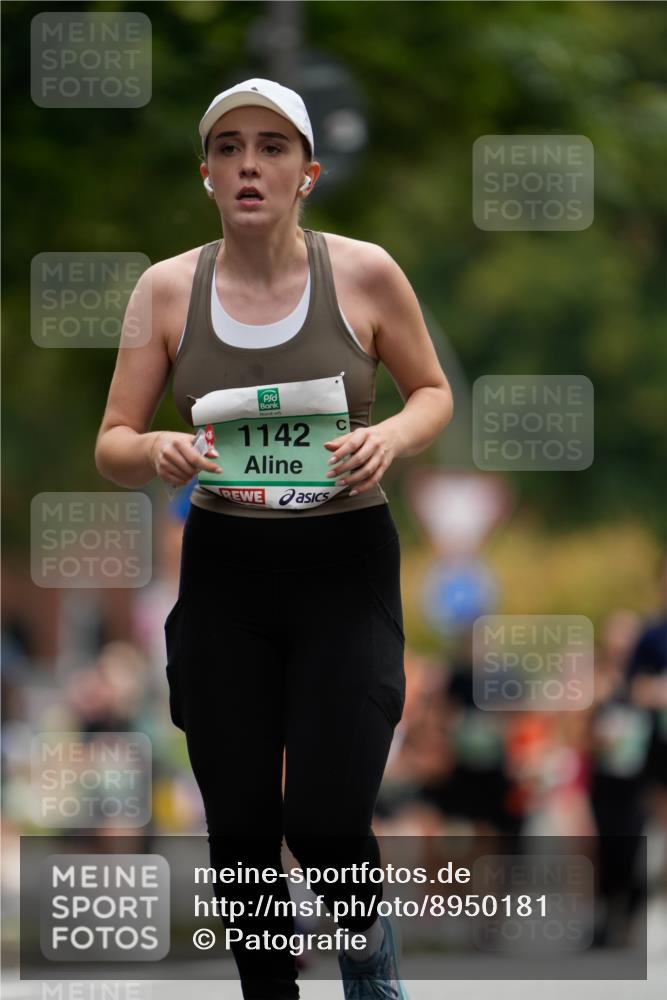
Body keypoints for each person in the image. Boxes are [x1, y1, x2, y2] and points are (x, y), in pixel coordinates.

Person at [95, 78, 453, 1000]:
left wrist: (390, 437)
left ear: (307, 174)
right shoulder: (165, 289)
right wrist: (157, 448)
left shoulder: (366, 273)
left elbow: (433, 392)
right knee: (242, 830)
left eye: (271, 147)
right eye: (228, 148)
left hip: (345, 565)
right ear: (206, 173)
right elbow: (113, 442)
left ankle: (369, 968)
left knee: (328, 817)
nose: (248, 164)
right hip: (228, 572)